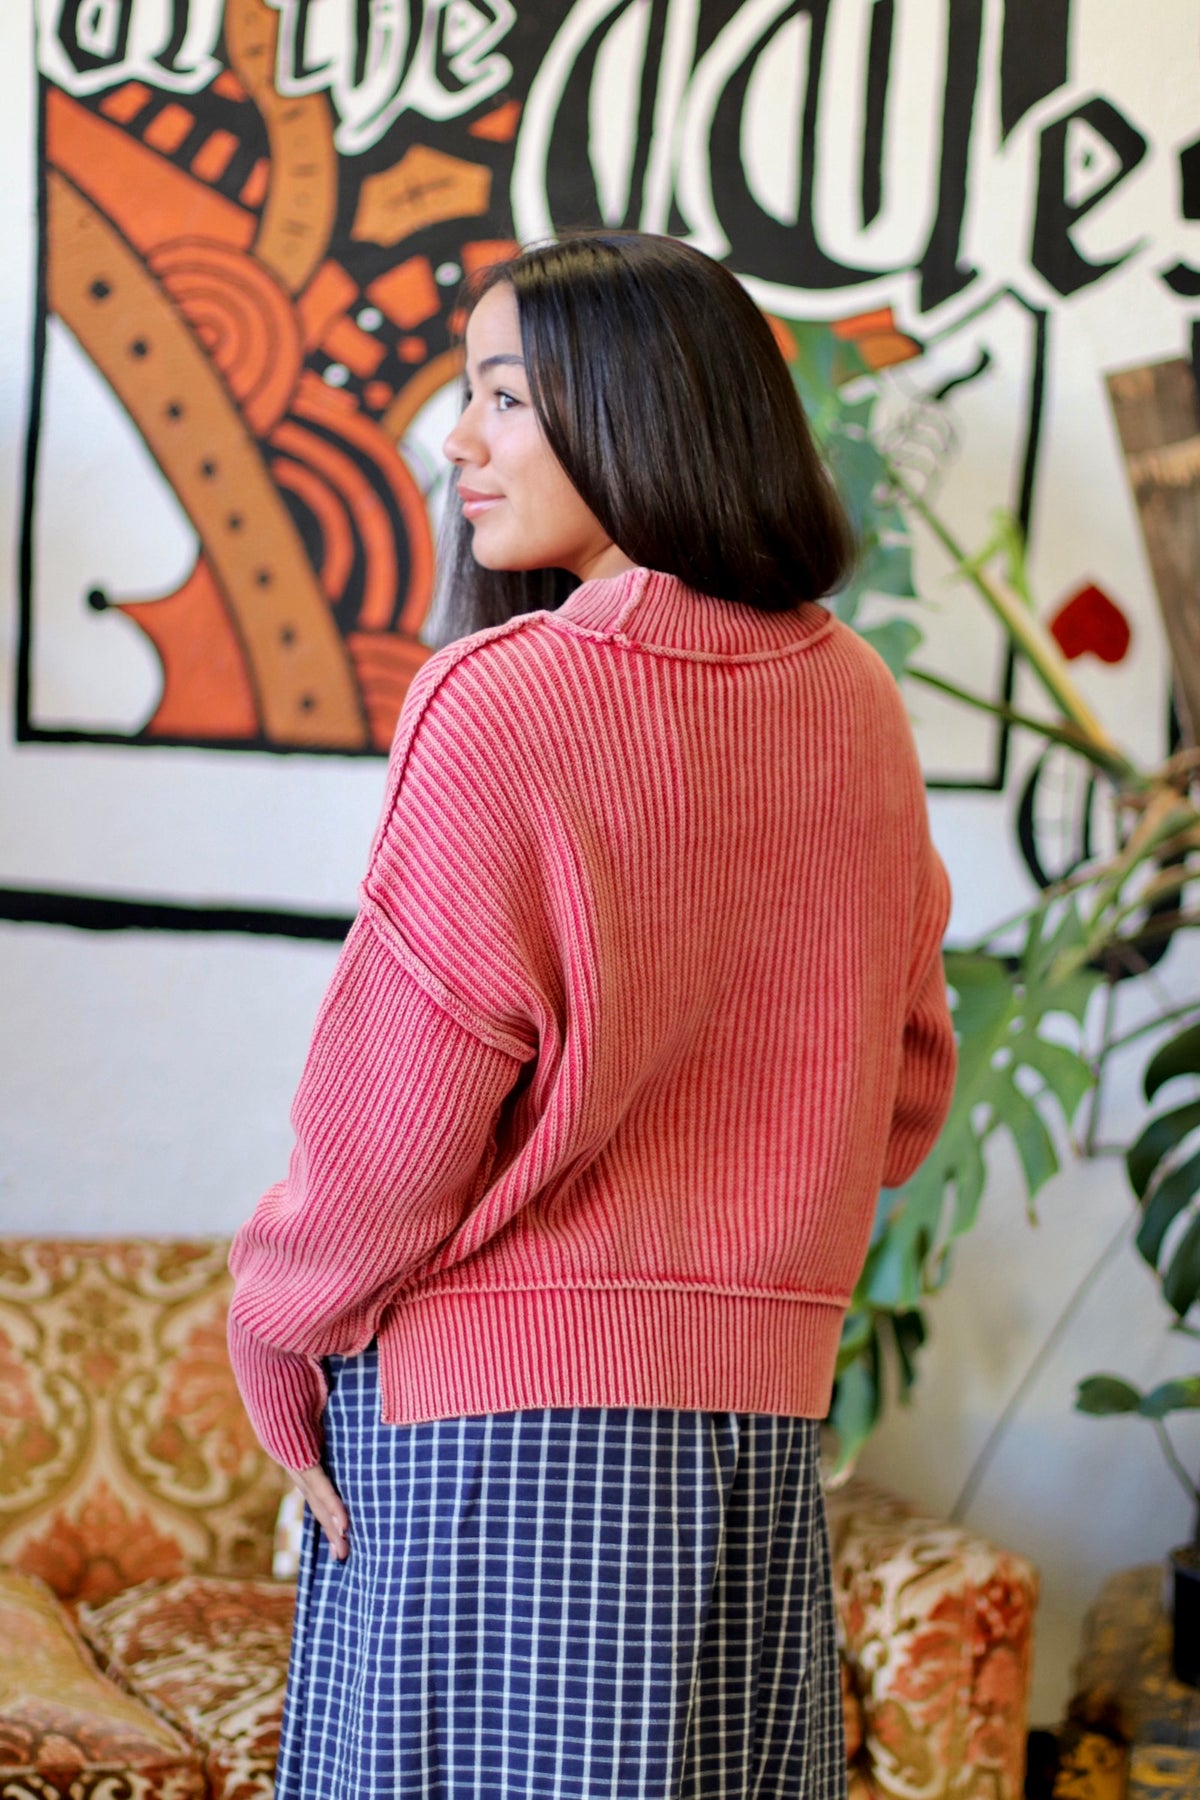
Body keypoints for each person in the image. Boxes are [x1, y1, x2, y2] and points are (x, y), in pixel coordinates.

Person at [227, 231, 957, 1800]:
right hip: (749, 1449)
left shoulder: (499, 702)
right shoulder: (858, 708)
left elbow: (390, 1133)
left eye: (503, 394)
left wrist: (274, 1321)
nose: (457, 436)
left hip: (490, 1453)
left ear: (639, 407)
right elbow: (903, 1101)